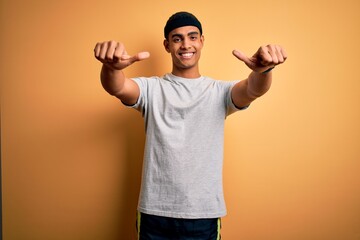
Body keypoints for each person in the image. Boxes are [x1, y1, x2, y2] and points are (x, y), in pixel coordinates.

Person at [94, 11, 287, 240]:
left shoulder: (219, 92)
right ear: (167, 45)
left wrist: (264, 70)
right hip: (154, 213)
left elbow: (253, 89)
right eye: (177, 39)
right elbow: (118, 87)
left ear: (202, 41)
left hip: (203, 215)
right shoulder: (152, 89)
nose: (186, 44)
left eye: (192, 37)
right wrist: (111, 68)